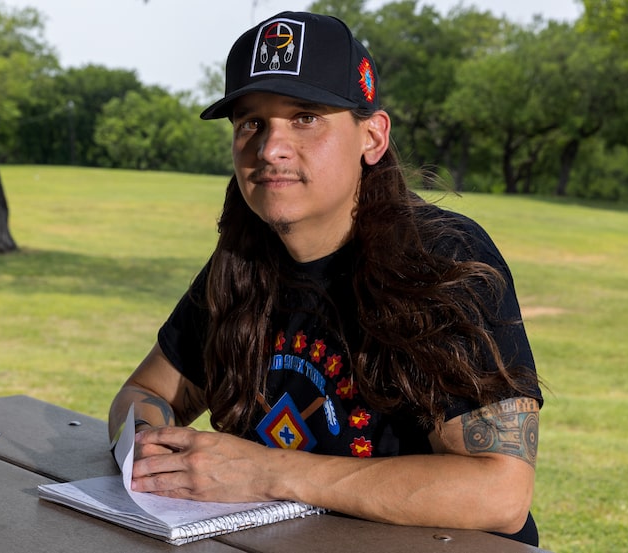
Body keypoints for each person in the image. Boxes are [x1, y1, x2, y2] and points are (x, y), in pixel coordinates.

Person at [107, 11, 543, 546]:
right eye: (251, 123)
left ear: (373, 136)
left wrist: (265, 473)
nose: (270, 149)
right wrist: (149, 447)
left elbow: (499, 492)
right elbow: (146, 390)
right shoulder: (243, 259)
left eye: (306, 117)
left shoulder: (442, 260)